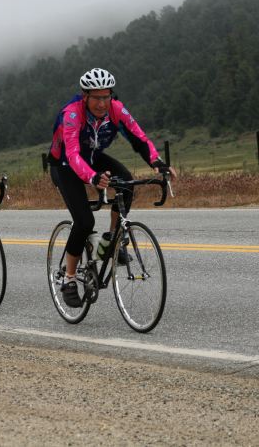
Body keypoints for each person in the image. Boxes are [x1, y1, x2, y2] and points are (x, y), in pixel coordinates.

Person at [49, 67, 177, 308]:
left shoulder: (116, 109)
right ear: (85, 96)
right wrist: (93, 178)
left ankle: (110, 241)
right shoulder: (72, 114)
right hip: (64, 164)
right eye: (96, 97)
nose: (102, 103)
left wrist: (157, 163)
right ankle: (69, 278)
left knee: (126, 183)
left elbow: (139, 138)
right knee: (85, 222)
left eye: (106, 96)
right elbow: (73, 154)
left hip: (94, 157)